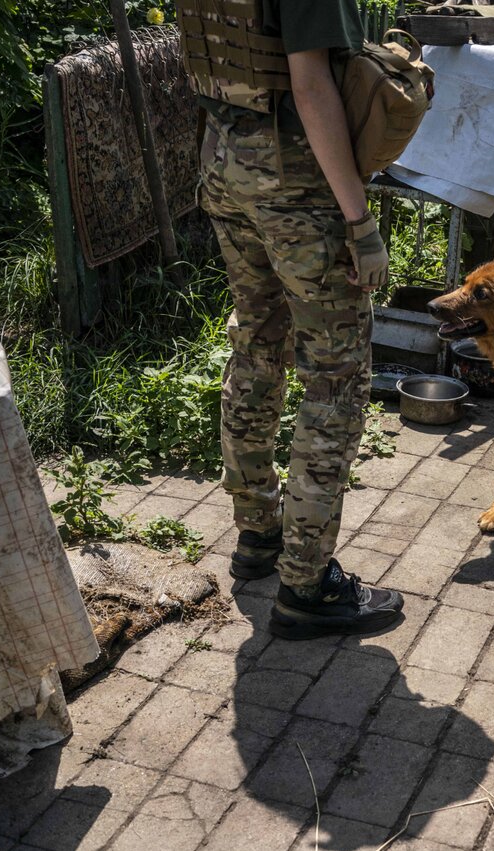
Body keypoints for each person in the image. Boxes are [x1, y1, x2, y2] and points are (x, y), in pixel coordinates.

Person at [177, 0, 404, 639]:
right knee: (335, 378)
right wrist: (359, 222)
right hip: (296, 185)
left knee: (256, 342)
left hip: (223, 163)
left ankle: (259, 536)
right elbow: (309, 85)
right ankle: (306, 584)